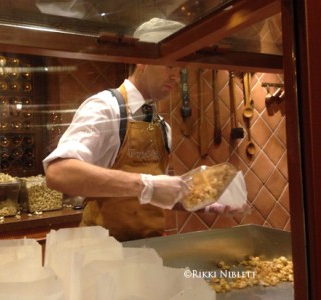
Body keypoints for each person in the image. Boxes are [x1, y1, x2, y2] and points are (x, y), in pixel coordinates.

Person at [43, 18, 237, 241]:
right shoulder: (106, 107)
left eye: (181, 68)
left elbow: (156, 194)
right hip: (104, 254)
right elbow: (58, 173)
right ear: (142, 61)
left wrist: (204, 203)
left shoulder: (161, 126)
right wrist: (147, 183)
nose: (176, 76)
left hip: (150, 251)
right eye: (171, 65)